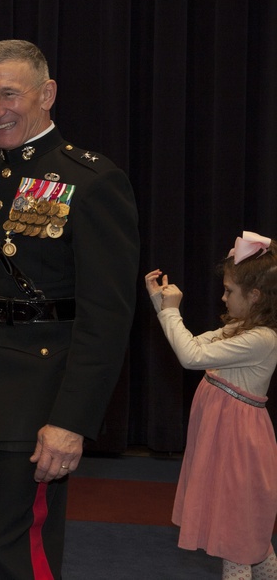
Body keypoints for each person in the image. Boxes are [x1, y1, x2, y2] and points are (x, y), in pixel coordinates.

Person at [0, 39, 140, 579]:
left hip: (41, 391)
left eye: (9, 93)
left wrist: (71, 419)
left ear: (47, 93)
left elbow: (107, 316)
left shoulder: (90, 180)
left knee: (19, 546)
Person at [146, 233, 277, 580]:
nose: (222, 296)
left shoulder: (260, 339)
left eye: (229, 291)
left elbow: (191, 356)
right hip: (224, 442)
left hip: (239, 447)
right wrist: (164, 308)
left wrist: (170, 310)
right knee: (247, 536)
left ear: (255, 296)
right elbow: (190, 343)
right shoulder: (238, 328)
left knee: (237, 539)